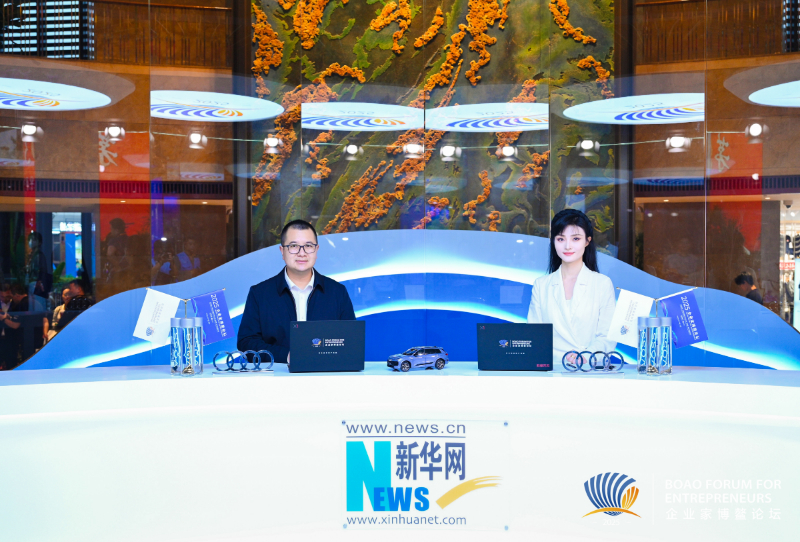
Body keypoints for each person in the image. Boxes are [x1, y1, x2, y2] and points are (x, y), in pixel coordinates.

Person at [237, 219, 355, 365]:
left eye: (308, 246)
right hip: (277, 375)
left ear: (316, 250)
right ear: (282, 251)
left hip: (325, 374)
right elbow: (246, 342)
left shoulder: (337, 292)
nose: (302, 253)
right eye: (293, 246)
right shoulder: (260, 294)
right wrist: (287, 356)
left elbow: (351, 340)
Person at [527, 209, 617, 365]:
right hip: (551, 369)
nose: (568, 246)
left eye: (575, 238)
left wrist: (585, 356)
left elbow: (607, 336)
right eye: (560, 239)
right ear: (553, 242)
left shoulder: (602, 283)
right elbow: (534, 335)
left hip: (589, 368)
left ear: (587, 241)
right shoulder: (541, 285)